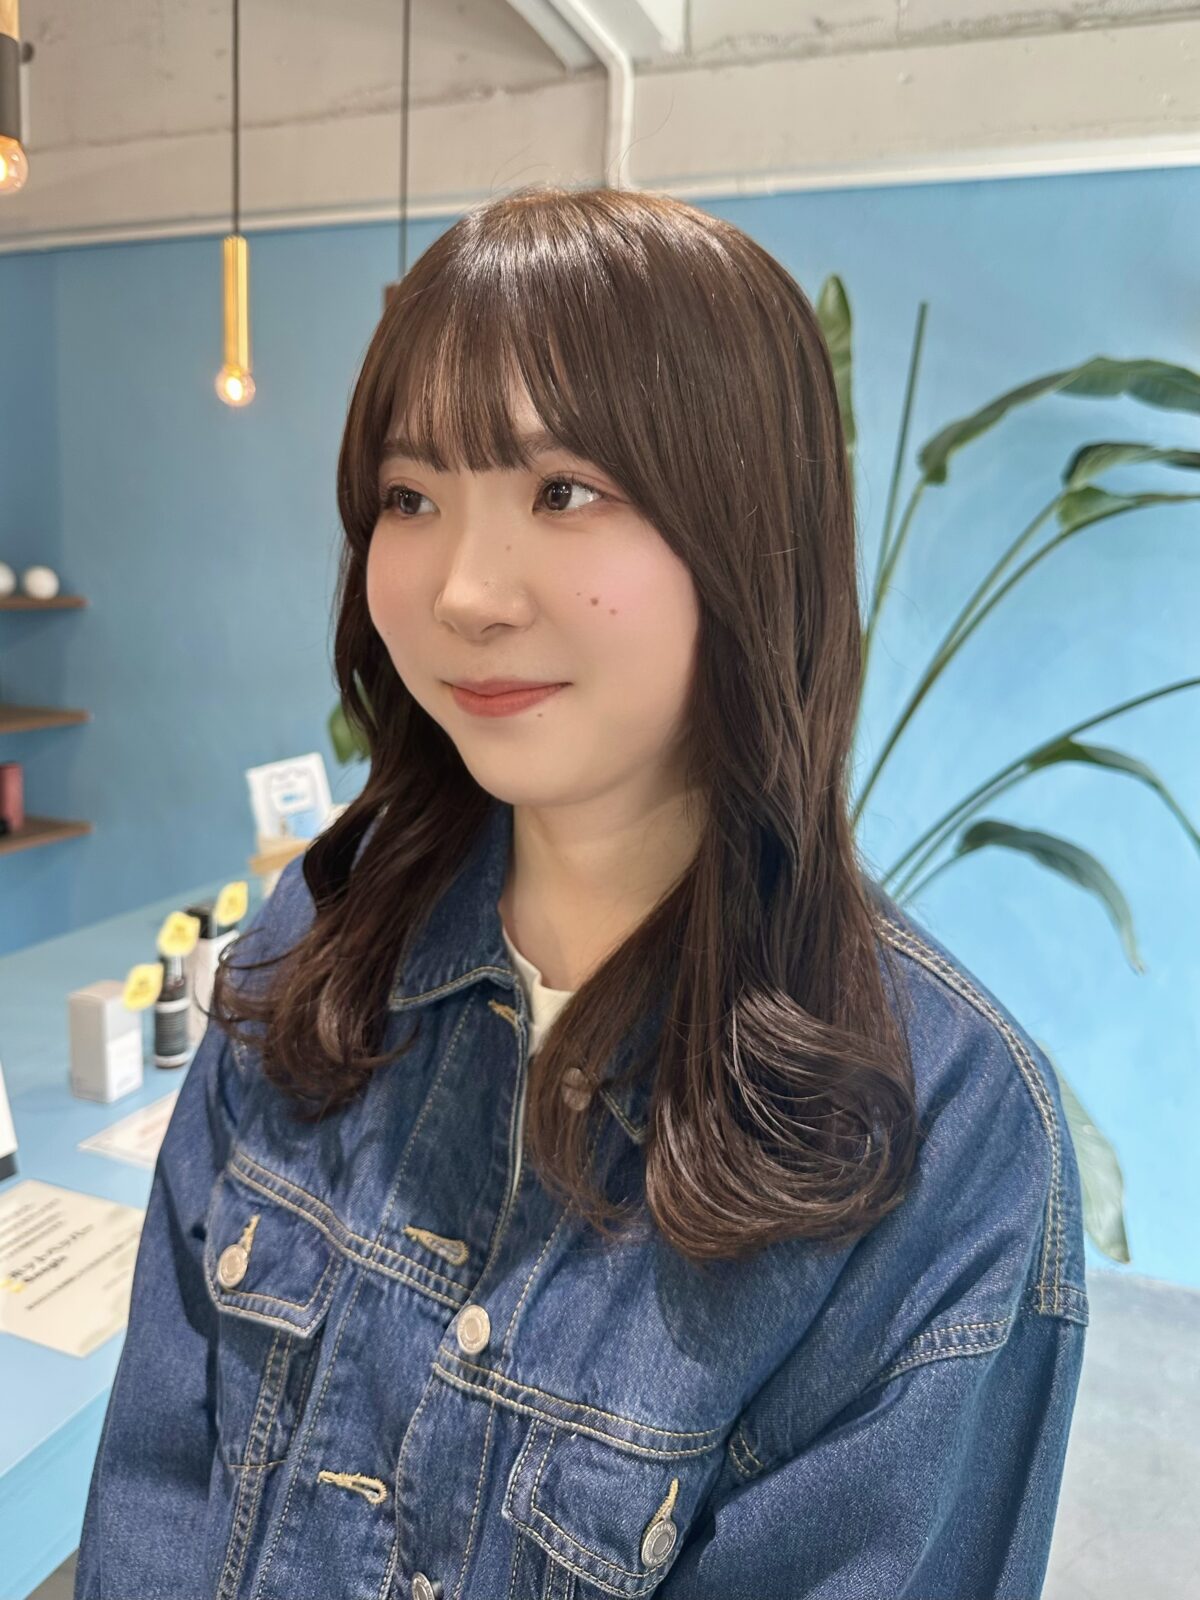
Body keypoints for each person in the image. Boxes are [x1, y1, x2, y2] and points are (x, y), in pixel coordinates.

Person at [75, 185, 1088, 1600]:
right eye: (412, 497)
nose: (466, 592)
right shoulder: (316, 951)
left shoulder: (940, 1135)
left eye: (564, 491)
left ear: (751, 532)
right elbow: (155, 1501)